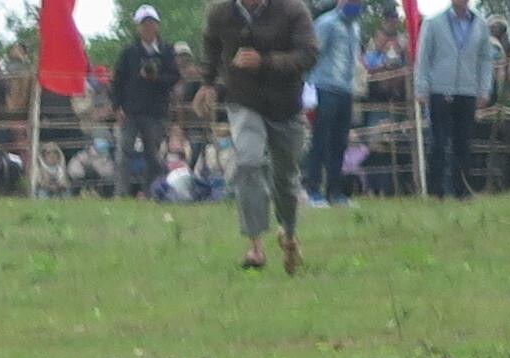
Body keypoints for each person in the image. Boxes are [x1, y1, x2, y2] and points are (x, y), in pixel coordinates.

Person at [202, 0, 316, 271]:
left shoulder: (293, 10)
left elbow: (309, 54)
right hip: (243, 100)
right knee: (248, 162)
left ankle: (288, 233)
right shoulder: (220, 12)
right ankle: (255, 246)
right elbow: (211, 46)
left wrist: (264, 62)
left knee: (285, 179)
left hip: (285, 106)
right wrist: (207, 83)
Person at [412, 0, 492, 196]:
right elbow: (424, 57)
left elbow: (485, 60)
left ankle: (462, 190)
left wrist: (484, 89)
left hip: (467, 90)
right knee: (438, 142)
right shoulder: (433, 22)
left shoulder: (480, 25)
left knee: (463, 143)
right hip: (440, 89)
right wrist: (421, 88)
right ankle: (436, 191)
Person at [110, 7, 185, 192]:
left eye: (151, 23)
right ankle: (121, 193)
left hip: (155, 111)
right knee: (124, 152)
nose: (148, 27)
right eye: (144, 23)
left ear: (157, 25)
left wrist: (156, 77)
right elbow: (117, 80)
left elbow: (174, 77)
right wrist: (117, 106)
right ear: (138, 27)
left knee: (153, 154)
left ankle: (150, 191)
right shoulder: (129, 53)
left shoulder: (167, 51)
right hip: (131, 110)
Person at [302, 0, 363, 204]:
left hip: (346, 90)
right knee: (320, 141)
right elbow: (312, 56)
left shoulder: (355, 26)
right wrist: (308, 91)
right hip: (324, 88)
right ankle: (313, 190)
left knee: (340, 143)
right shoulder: (326, 23)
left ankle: (335, 192)